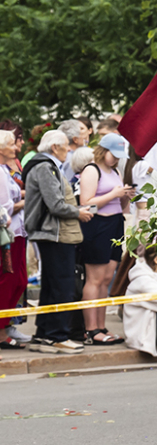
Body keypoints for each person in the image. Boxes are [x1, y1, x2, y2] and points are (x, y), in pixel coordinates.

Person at [22, 129, 92, 354]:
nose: (69, 150)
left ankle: (45, 335)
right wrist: (78, 212)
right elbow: (55, 204)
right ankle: (57, 336)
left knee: (52, 287)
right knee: (62, 286)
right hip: (53, 234)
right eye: (66, 147)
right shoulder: (45, 167)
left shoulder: (44, 166)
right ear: (54, 147)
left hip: (51, 233)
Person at [74, 134, 133, 345]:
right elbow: (85, 204)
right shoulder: (92, 170)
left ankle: (101, 325)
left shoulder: (115, 171)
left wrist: (125, 195)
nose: (116, 160)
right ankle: (91, 328)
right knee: (95, 278)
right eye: (113, 155)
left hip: (115, 223)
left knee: (107, 278)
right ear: (103, 151)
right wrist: (113, 194)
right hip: (97, 225)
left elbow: (122, 206)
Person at [0, 130, 30, 348]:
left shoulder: (5, 170)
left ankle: (6, 324)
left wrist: (25, 195)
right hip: (8, 235)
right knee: (8, 281)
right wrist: (28, 201)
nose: (16, 147)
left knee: (19, 280)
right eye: (11, 144)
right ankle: (2, 332)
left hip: (17, 232)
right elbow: (4, 208)